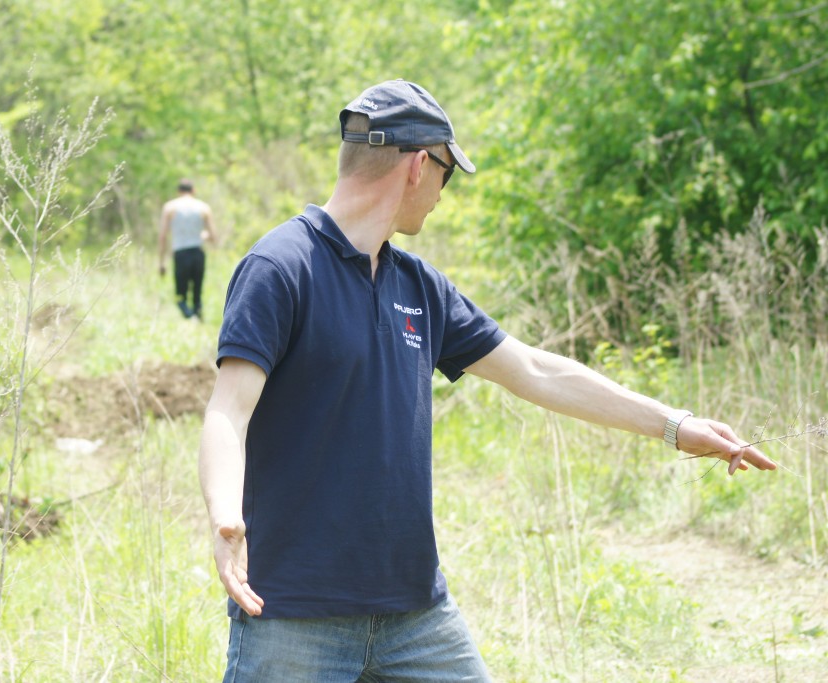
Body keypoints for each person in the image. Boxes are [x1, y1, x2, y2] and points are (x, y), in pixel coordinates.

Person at [198, 79, 776, 682]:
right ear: (420, 165)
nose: (442, 195)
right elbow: (226, 412)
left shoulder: (419, 286)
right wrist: (225, 517)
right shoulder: (280, 267)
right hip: (293, 615)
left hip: (414, 616)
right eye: (448, 175)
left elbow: (535, 370)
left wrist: (675, 425)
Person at [158, 179, 215, 319]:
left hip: (181, 253)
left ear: (179, 191)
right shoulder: (203, 207)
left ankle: (190, 317)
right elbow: (212, 236)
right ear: (193, 190)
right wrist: (201, 235)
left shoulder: (170, 207)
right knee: (197, 293)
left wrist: (161, 262)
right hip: (198, 252)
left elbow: (163, 236)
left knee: (180, 296)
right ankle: (196, 317)